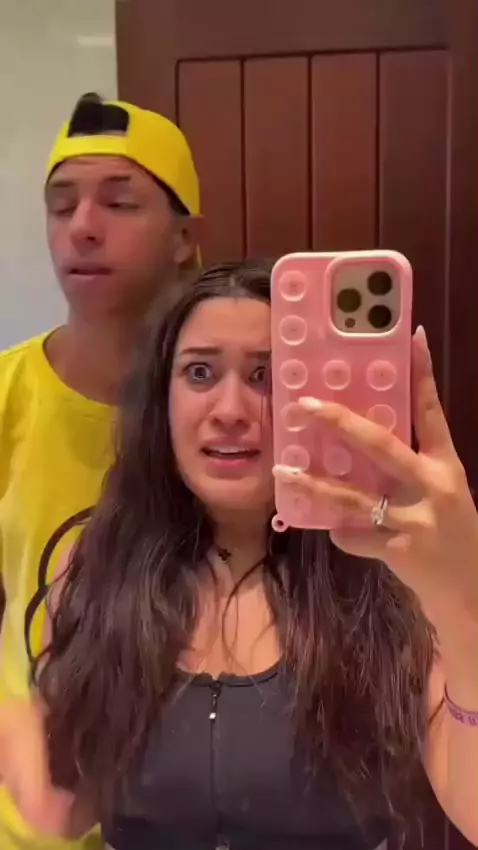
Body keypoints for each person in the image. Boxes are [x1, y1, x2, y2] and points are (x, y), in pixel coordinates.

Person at [1, 259, 478, 850]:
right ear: (161, 400)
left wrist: (464, 599)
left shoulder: (392, 574)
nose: (230, 410)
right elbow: (65, 806)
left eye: (266, 376)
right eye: (200, 372)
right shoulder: (96, 563)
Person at [0, 92, 200, 849]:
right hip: (34, 826)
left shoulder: (238, 408)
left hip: (199, 815)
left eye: (119, 202)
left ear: (184, 236)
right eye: (61, 205)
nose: (82, 226)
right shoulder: (8, 395)